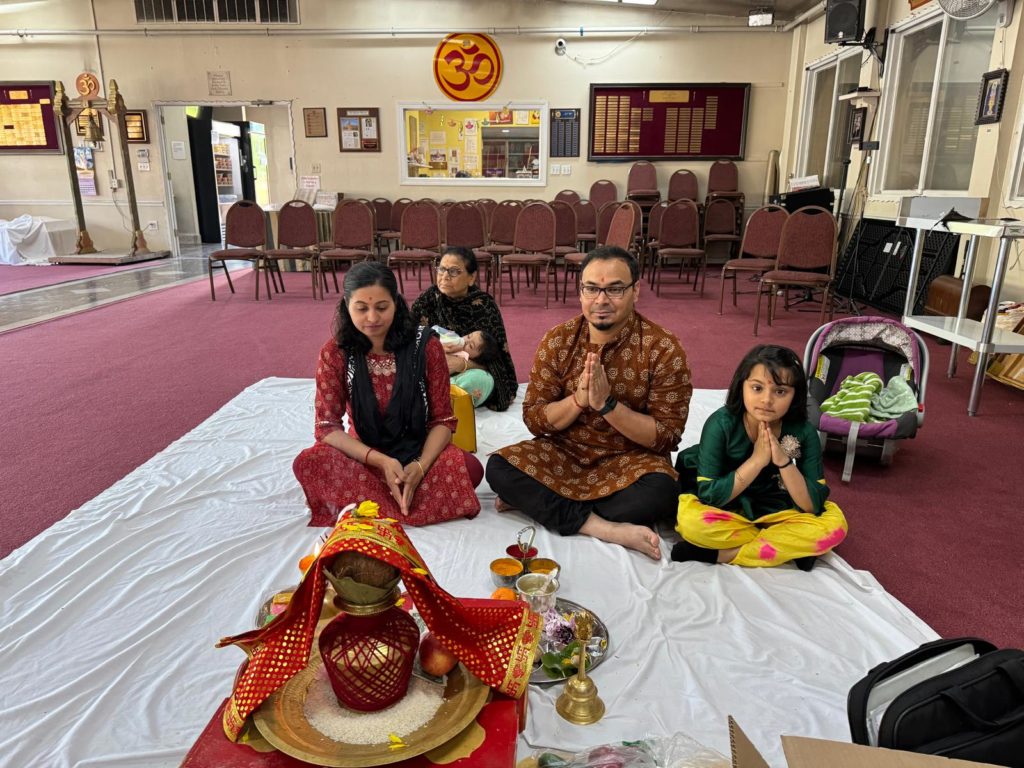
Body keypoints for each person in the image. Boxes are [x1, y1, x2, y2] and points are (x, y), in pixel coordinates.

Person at [486, 246, 692, 560]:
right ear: (580, 291)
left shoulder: (662, 348)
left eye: (614, 289)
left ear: (636, 291)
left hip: (631, 460)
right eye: (592, 288)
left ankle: (543, 503)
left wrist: (607, 405)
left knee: (663, 493)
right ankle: (601, 527)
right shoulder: (558, 340)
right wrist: (578, 401)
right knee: (499, 467)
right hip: (565, 453)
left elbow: (666, 435)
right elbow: (535, 418)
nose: (601, 300)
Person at [293, 261, 482, 527]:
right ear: (347, 305)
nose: (372, 318)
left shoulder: (425, 345)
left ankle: (370, 502)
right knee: (309, 463)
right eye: (361, 308)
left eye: (381, 308)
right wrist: (381, 461)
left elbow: (442, 420)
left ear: (396, 303)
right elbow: (326, 427)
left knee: (471, 469)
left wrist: (420, 467)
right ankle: (401, 501)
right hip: (364, 455)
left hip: (416, 450)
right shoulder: (335, 353)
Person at [671, 344, 848, 570]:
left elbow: (812, 505)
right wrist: (757, 461)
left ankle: (721, 554)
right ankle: (786, 546)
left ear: (795, 395)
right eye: (757, 388)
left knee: (835, 526)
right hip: (726, 501)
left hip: (772, 499)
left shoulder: (804, 431)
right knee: (692, 523)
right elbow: (710, 495)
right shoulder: (720, 423)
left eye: (780, 392)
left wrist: (783, 461)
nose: (766, 400)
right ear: (741, 387)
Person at [410, 246, 518, 410]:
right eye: (442, 269)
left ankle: (436, 402)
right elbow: (408, 341)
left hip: (464, 374)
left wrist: (461, 364)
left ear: (471, 277)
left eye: (454, 271)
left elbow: (497, 365)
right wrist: (435, 351)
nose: (445, 276)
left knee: (481, 381)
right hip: (429, 368)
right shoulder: (428, 300)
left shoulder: (484, 306)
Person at [441, 329, 501, 406]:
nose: (465, 341)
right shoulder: (453, 341)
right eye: (468, 336)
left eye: (470, 346)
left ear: (476, 359)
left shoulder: (464, 356)